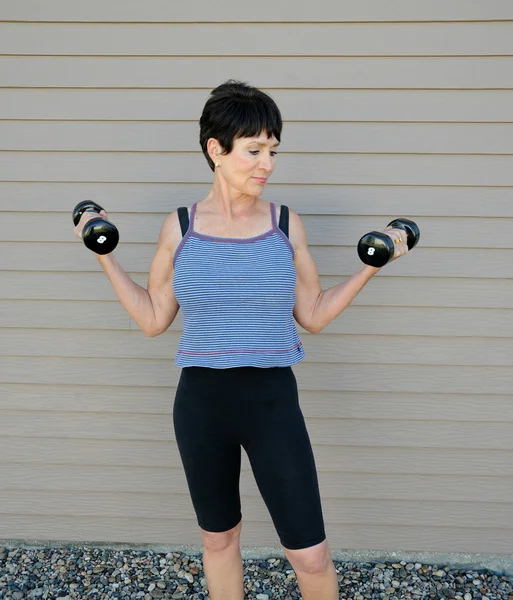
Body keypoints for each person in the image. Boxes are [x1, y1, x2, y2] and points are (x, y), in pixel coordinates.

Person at [73, 79, 410, 600]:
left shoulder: (284, 224)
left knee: (311, 554)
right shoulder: (180, 227)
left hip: (271, 400)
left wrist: (373, 267)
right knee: (219, 539)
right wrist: (103, 256)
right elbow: (153, 318)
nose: (267, 164)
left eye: (272, 150)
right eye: (255, 150)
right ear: (216, 150)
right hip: (201, 403)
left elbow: (313, 315)